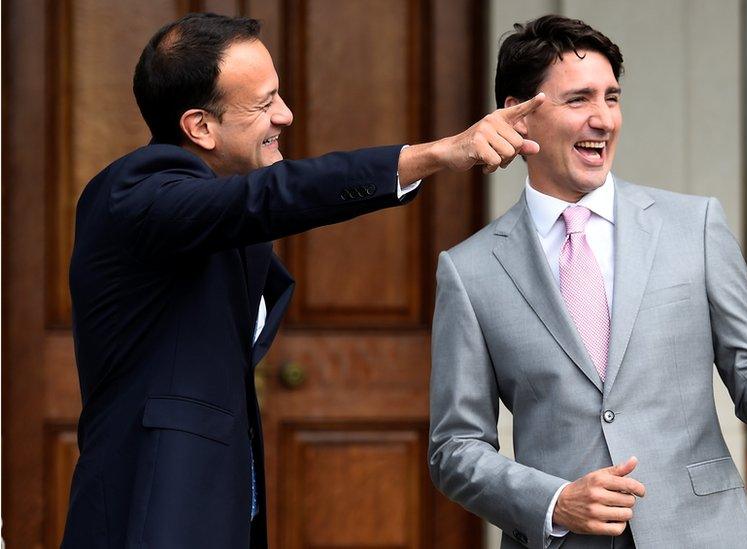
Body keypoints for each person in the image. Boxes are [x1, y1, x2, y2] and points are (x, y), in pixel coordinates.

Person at [62, 12, 544, 548]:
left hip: (214, 506)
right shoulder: (137, 192)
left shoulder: (217, 210)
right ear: (199, 126)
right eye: (265, 104)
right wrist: (437, 155)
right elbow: (272, 197)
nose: (286, 116)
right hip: (149, 513)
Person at [427, 14, 747, 549]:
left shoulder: (695, 226)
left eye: (612, 98)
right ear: (518, 117)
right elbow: (455, 449)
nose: (604, 119)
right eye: (579, 100)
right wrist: (554, 502)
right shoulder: (470, 271)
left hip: (703, 534)